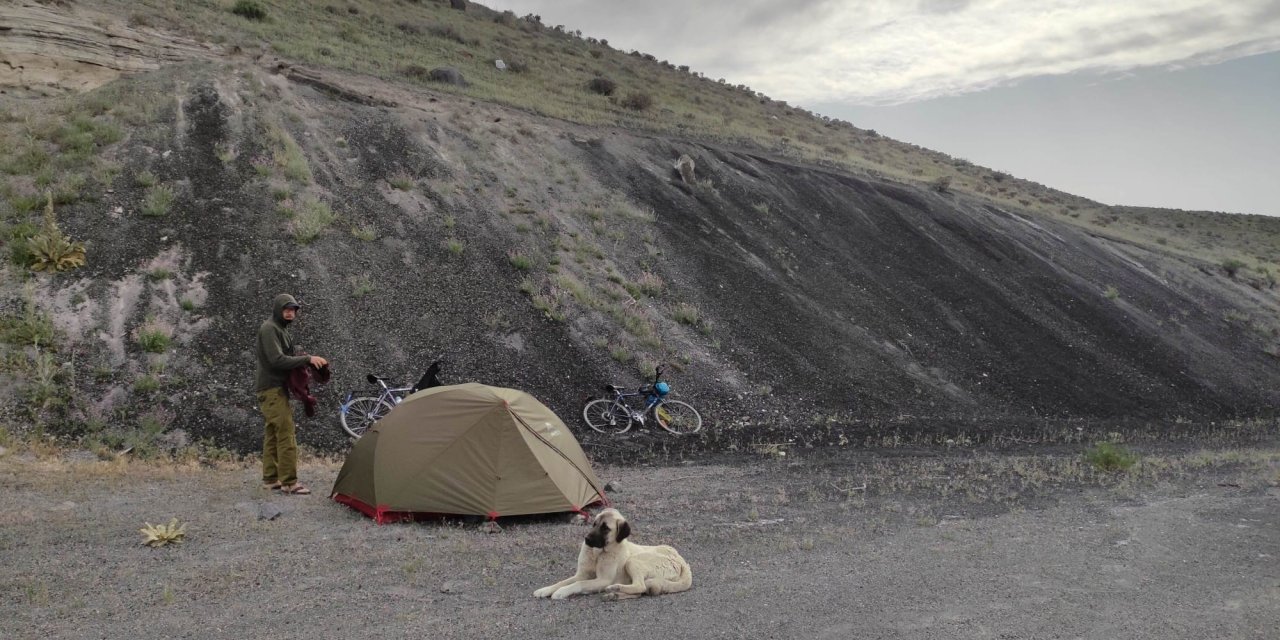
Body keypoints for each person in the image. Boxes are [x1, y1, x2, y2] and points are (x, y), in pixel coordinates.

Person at [255, 293, 328, 495]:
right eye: (286, 308)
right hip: (271, 388)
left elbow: (284, 359)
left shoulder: (281, 330)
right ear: (278, 309)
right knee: (286, 433)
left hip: (275, 388)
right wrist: (307, 359)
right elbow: (276, 360)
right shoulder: (270, 329)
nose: (290, 312)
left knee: (273, 433)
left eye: (293, 309)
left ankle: (271, 479)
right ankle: (289, 482)